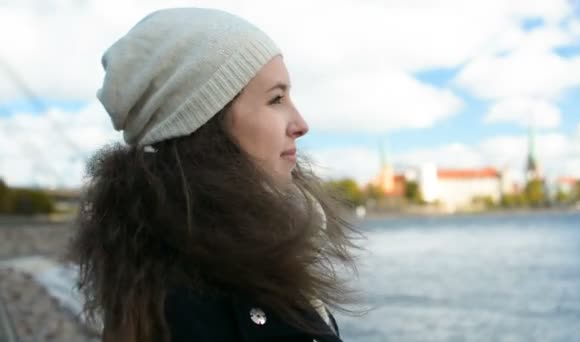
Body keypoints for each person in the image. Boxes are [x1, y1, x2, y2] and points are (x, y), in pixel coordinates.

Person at [69, 7, 364, 342]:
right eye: (276, 99)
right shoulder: (188, 302)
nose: (300, 124)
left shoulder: (246, 253)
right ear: (205, 123)